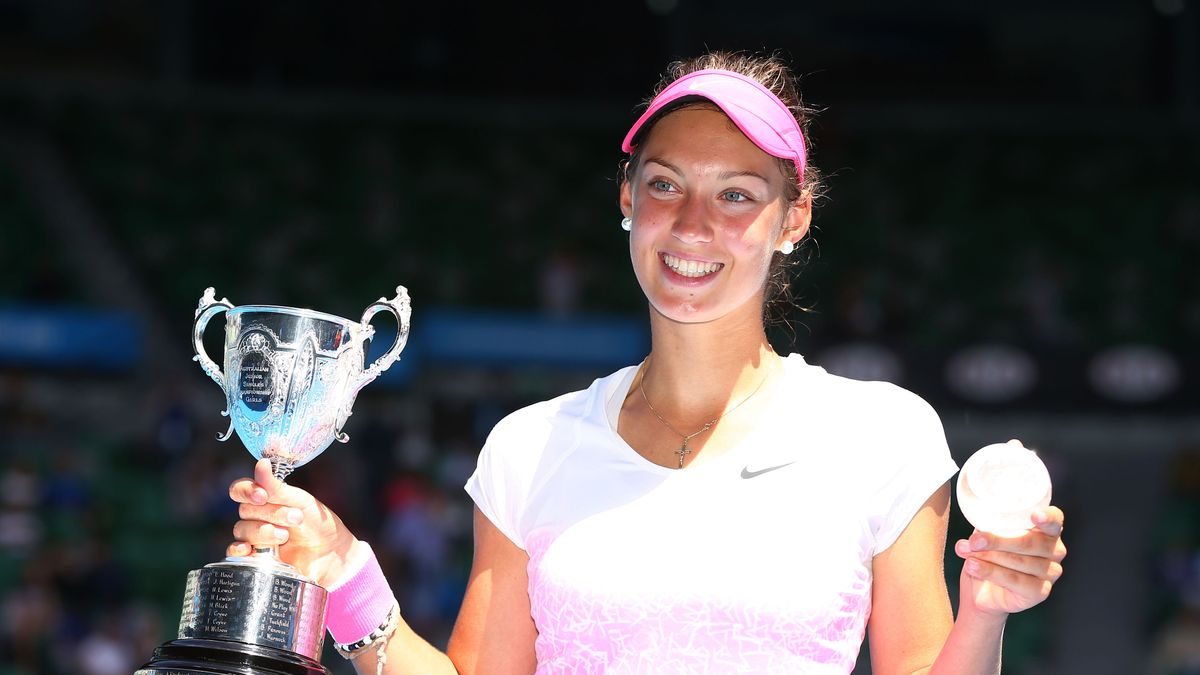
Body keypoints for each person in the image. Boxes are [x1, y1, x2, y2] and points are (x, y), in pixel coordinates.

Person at [228, 51, 1067, 674]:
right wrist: (344, 573)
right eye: (665, 185)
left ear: (794, 219)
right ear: (627, 199)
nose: (694, 223)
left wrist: (985, 612)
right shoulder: (529, 448)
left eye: (737, 194)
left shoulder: (883, 435)